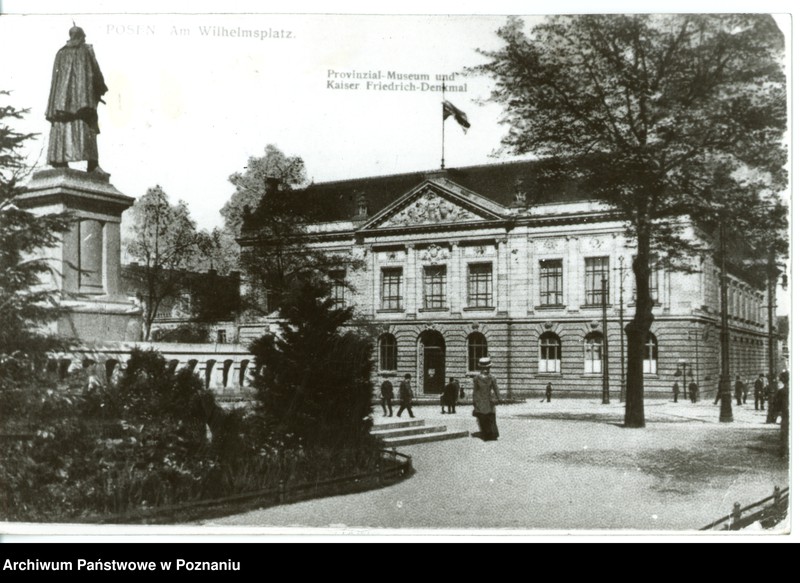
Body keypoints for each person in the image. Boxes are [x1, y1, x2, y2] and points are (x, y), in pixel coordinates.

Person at [46, 25, 108, 172]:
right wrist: (101, 89)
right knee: (89, 125)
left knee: (63, 124)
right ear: (81, 36)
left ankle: (60, 161)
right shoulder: (86, 50)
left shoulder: (60, 53)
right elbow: (95, 72)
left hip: (61, 102)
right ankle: (92, 165)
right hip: (83, 102)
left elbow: (55, 80)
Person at [472, 357, 501, 441]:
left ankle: (493, 434)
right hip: (480, 400)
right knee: (482, 418)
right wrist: (474, 402)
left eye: (487, 368)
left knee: (491, 417)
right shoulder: (476, 378)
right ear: (481, 368)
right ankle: (486, 434)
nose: (486, 370)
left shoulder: (492, 378)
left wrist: (499, 398)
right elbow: (475, 391)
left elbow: (496, 388)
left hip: (489, 400)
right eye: (484, 368)